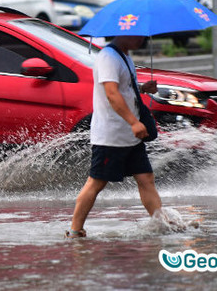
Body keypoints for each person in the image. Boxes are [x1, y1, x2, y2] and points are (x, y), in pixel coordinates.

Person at [66, 35, 164, 238]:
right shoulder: (108, 57)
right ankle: (75, 230)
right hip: (112, 135)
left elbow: (123, 88)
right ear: (122, 34)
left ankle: (160, 223)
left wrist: (142, 89)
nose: (141, 39)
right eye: (136, 35)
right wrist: (134, 122)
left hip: (129, 135)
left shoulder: (124, 55)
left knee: (146, 178)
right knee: (96, 182)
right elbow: (111, 93)